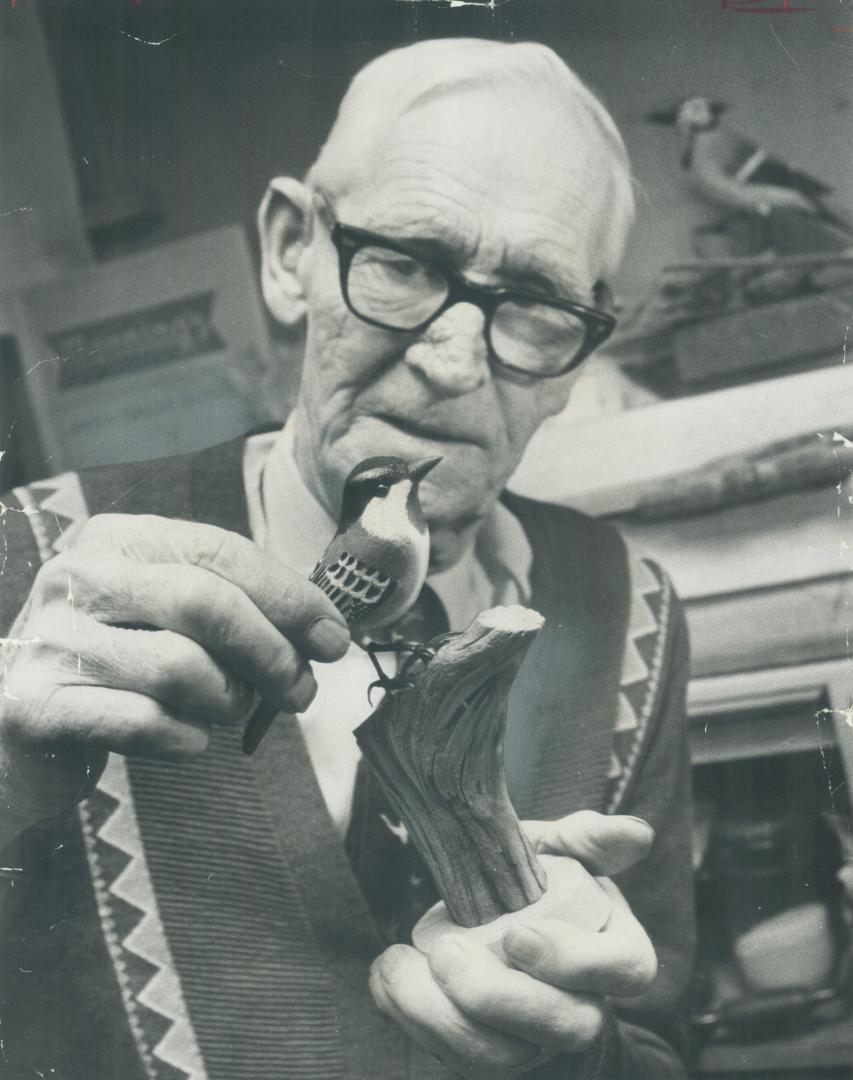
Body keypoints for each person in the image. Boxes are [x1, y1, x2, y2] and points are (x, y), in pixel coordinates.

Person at [0, 38, 694, 1080]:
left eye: (539, 308)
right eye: (405, 264)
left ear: (579, 355)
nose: (451, 362)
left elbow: (664, 1044)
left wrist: (572, 1041)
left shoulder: (627, 605)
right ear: (290, 253)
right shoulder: (35, 562)